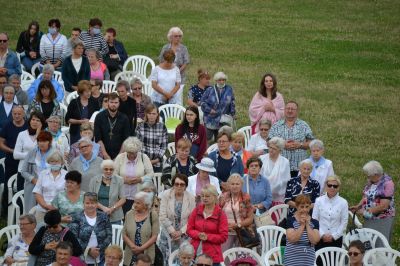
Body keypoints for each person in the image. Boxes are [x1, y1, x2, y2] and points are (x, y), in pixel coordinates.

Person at [349, 160, 395, 243]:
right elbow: (366, 196)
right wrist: (358, 206)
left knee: (380, 243)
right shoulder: (371, 181)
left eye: (368, 174)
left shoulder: (387, 183)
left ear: (376, 174)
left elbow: (384, 206)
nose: (367, 176)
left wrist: (365, 211)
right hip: (369, 218)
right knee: (370, 242)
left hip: (381, 219)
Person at [269, 101, 314, 177]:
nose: (290, 111)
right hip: (280, 166)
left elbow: (312, 143)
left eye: (292, 109)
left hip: (300, 168)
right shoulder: (276, 125)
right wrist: (282, 145)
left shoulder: (304, 125)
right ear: (284, 110)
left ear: (297, 111)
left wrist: (300, 145)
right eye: (288, 108)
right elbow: (268, 142)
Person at [186, 184, 228, 266]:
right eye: (203, 196)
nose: (204, 198)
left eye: (207, 196)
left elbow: (223, 236)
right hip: (194, 253)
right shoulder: (197, 210)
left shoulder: (221, 214)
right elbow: (189, 229)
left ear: (215, 197)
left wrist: (207, 237)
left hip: (213, 255)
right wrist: (198, 234)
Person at [159, 174, 196, 263]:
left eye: (182, 184)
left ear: (186, 186)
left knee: (182, 260)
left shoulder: (191, 197)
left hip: (183, 234)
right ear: (173, 185)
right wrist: (172, 232)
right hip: (167, 232)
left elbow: (192, 219)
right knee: (165, 260)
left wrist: (180, 232)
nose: (179, 186)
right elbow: (162, 216)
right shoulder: (166, 195)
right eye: (176, 184)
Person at [69, 192, 112, 266]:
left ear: (97, 204)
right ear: (83, 203)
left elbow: (109, 235)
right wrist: (88, 250)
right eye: (87, 203)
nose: (90, 205)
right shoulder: (76, 217)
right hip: (81, 258)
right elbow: (73, 237)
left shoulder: (104, 216)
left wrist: (98, 249)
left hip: (101, 257)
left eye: (93, 203)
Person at [114, 137, 154, 214]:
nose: (132, 155)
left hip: (139, 196)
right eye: (129, 152)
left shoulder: (144, 157)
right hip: (122, 196)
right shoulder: (120, 157)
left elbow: (151, 174)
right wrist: (124, 180)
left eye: (134, 152)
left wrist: (140, 179)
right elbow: (113, 174)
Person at [0, 105, 27, 216]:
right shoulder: (7, 126)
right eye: (14, 114)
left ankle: (22, 211)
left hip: (25, 161)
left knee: (23, 186)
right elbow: (1, 143)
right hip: (11, 160)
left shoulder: (28, 126)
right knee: (8, 186)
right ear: (12, 114)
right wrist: (12, 151)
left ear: (23, 114)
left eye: (19, 114)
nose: (16, 116)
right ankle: (6, 213)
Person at [219, 174, 255, 251]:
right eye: (232, 184)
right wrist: (223, 226)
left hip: (242, 232)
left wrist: (237, 225)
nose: (235, 186)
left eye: (237, 184)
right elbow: (217, 215)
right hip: (226, 231)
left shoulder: (246, 198)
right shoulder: (222, 197)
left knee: (241, 257)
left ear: (241, 185)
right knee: (225, 256)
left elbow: (250, 218)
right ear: (229, 185)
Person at [312, 175, 348, 254]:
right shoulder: (318, 200)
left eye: (335, 186)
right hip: (320, 237)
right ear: (326, 186)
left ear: (338, 188)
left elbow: (344, 222)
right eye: (329, 185)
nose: (332, 188)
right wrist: (322, 235)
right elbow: (314, 220)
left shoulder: (343, 202)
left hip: (336, 238)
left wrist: (334, 236)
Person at [122, 191, 159, 265]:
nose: (135, 205)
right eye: (134, 202)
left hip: (146, 253)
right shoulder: (129, 214)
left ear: (146, 205)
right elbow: (124, 233)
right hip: (131, 252)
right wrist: (133, 247)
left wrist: (141, 248)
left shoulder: (153, 215)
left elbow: (154, 236)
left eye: (138, 203)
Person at [20, 131, 54, 213]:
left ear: (49, 142)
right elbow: (23, 171)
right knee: (31, 213)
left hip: (49, 187)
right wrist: (33, 180)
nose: (41, 143)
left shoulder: (55, 153)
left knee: (47, 212)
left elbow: (59, 170)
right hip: (32, 186)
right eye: (39, 141)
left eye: (44, 141)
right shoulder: (32, 152)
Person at [284, 194, 320, 266]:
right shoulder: (290, 220)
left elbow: (315, 240)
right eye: (302, 207)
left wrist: (307, 224)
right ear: (297, 207)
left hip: (308, 257)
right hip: (292, 257)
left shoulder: (315, 222)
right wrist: (302, 225)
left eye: (307, 207)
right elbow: (292, 239)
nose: (304, 209)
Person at [14, 111, 45, 191]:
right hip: (23, 170)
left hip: (39, 172)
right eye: (33, 119)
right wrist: (30, 155)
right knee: (21, 197)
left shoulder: (45, 136)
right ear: (30, 120)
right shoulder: (22, 134)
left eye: (38, 120)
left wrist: (38, 134)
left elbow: (42, 153)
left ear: (41, 123)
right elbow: (15, 155)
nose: (35, 122)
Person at [200, 72, 236, 141]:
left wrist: (233, 113)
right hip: (210, 118)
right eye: (220, 80)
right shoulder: (210, 90)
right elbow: (202, 102)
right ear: (216, 80)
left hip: (223, 118)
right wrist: (209, 110)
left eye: (223, 80)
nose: (222, 82)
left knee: (220, 138)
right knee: (207, 137)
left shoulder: (229, 89)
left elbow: (232, 102)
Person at [33, 150, 67, 223]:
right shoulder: (43, 174)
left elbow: (68, 193)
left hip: (60, 211)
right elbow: (37, 192)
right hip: (42, 209)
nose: (54, 163)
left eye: (57, 161)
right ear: (49, 162)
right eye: (52, 161)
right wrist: (46, 206)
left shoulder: (66, 175)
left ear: (61, 162)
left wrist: (57, 208)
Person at [94, 92, 130, 159]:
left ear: (119, 103)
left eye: (116, 102)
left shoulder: (124, 118)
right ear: (108, 103)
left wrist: (119, 156)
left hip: (120, 154)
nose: (113, 104)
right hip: (102, 154)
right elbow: (98, 138)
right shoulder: (99, 117)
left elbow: (126, 139)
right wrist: (105, 155)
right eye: (111, 102)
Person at [159, 27, 190, 105]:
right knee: (165, 97)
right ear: (170, 37)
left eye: (180, 36)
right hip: (166, 76)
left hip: (179, 77)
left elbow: (186, 62)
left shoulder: (183, 48)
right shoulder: (165, 47)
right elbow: (161, 61)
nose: (178, 38)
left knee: (177, 99)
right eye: (176, 36)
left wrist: (176, 71)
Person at [89, 160, 126, 224]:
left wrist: (112, 208)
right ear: (102, 169)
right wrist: (103, 208)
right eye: (106, 169)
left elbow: (123, 199)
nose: (108, 171)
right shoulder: (94, 180)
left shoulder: (119, 180)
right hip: (96, 215)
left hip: (115, 216)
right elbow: (91, 198)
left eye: (111, 169)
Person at [65, 80, 99, 144]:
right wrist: (80, 121)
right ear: (81, 92)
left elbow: (98, 117)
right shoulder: (74, 102)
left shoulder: (94, 102)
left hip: (90, 132)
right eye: (86, 92)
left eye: (89, 91)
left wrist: (90, 121)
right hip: (76, 131)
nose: (89, 93)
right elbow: (68, 119)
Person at [136, 103, 168, 172]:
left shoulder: (162, 127)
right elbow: (137, 145)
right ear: (146, 114)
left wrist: (156, 160)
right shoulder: (140, 127)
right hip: (142, 162)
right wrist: (144, 160)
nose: (151, 116)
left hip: (157, 162)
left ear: (157, 115)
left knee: (156, 182)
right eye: (149, 113)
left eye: (154, 114)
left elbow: (164, 146)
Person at [260, 137, 291, 205]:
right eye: (270, 147)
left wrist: (273, 189)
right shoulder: (261, 159)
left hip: (278, 196)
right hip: (262, 194)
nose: (271, 150)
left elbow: (286, 180)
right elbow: (259, 176)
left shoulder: (285, 162)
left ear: (280, 150)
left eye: (274, 149)